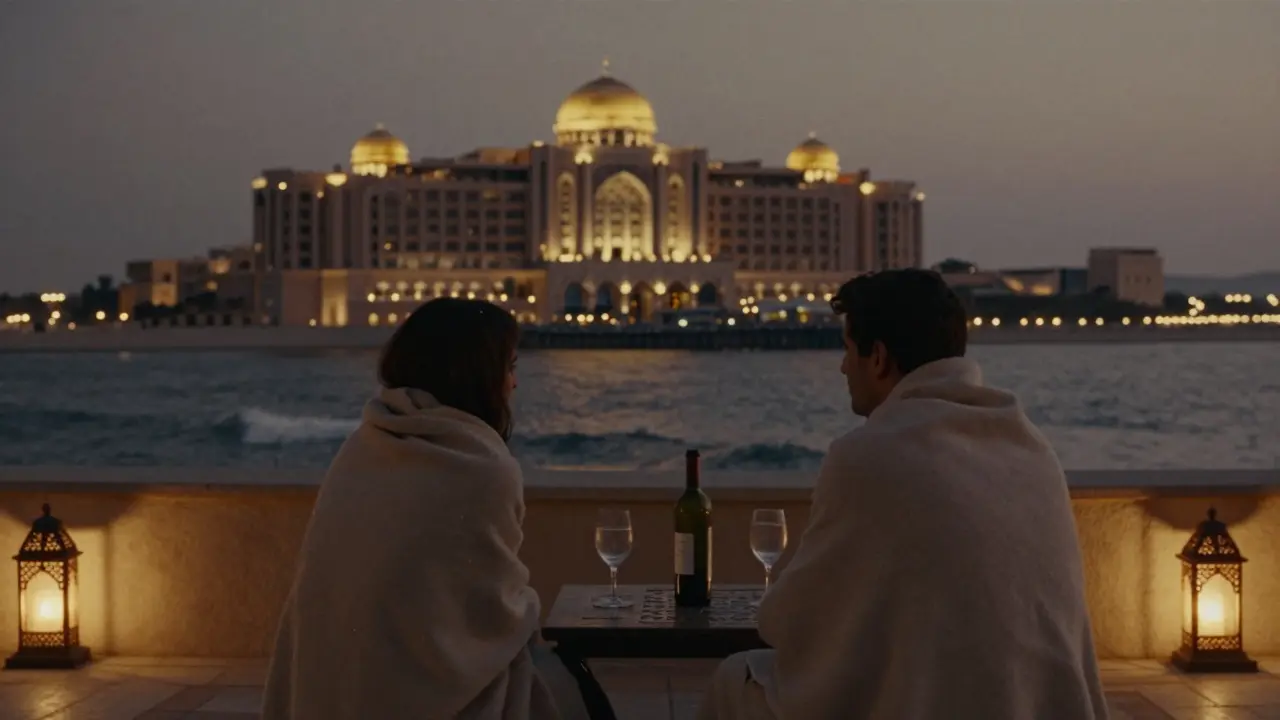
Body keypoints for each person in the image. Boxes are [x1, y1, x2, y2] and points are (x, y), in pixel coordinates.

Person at [700, 269, 1109, 720]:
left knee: (735, 679)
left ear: (877, 358)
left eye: (847, 349)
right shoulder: (1032, 446)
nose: (841, 367)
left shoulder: (868, 454)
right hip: (1038, 704)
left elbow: (790, 621)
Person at [262, 298, 614, 720]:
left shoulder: (363, 446)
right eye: (510, 367)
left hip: (331, 689)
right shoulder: (480, 465)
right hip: (419, 697)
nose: (514, 384)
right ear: (477, 373)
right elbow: (494, 615)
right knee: (574, 693)